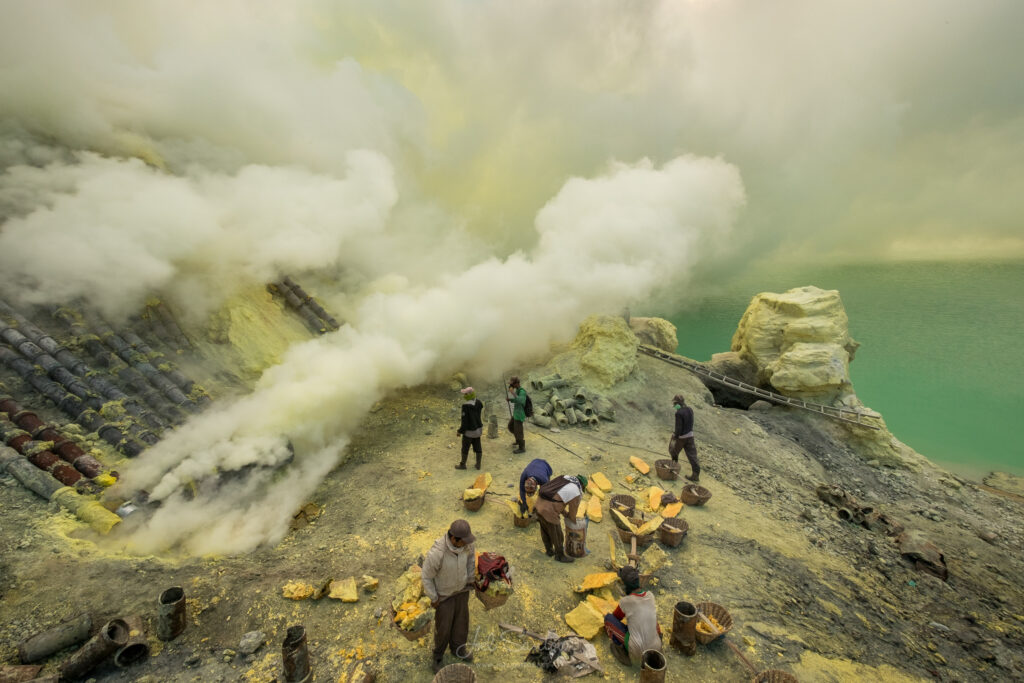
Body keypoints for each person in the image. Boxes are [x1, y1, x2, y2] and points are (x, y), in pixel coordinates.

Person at [421, 519, 477, 673]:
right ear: (454, 539)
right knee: (443, 628)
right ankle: (438, 656)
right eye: (463, 541)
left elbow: (471, 560)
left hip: (461, 590)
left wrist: (470, 580)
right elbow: (426, 577)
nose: (466, 544)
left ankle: (458, 649)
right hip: (444, 596)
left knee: (461, 622)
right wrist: (433, 597)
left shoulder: (467, 545)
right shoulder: (438, 553)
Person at [603, 565, 663, 666]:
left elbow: (616, 617)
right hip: (656, 648)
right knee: (651, 621)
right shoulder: (650, 596)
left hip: (637, 652)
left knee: (608, 619)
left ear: (624, 585)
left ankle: (623, 651)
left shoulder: (625, 601)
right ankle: (655, 644)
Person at [533, 474, 588, 563]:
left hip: (538, 505)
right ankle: (560, 556)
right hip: (548, 511)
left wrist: (565, 513)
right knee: (557, 534)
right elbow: (573, 514)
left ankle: (549, 551)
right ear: (582, 486)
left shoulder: (564, 478)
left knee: (545, 529)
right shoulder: (576, 492)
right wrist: (575, 524)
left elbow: (556, 498)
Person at [669, 394, 700, 482]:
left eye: (675, 403)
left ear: (677, 403)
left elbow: (678, 428)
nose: (674, 405)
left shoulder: (678, 413)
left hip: (681, 437)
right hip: (690, 435)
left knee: (673, 451)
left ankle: (674, 469)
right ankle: (695, 475)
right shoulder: (690, 409)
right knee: (692, 456)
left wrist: (675, 437)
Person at [455, 387, 484, 470]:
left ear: (469, 395)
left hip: (469, 432)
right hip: (478, 430)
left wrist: (460, 431)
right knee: (478, 447)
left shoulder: (465, 406)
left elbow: (464, 422)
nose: (464, 395)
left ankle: (463, 465)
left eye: (465, 394)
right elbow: (480, 407)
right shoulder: (479, 402)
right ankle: (478, 464)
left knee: (465, 448)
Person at [506, 376, 527, 453]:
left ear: (516, 383)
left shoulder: (522, 392)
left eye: (512, 384)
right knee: (511, 426)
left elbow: (521, 401)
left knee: (519, 431)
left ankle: (522, 448)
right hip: (516, 413)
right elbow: (516, 400)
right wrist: (510, 399)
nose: (511, 386)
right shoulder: (518, 390)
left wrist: (513, 393)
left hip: (519, 414)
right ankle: (518, 440)